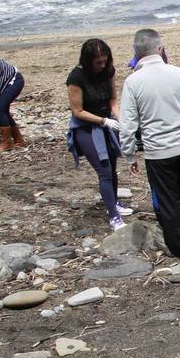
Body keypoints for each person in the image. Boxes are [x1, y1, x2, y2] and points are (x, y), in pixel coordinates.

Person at [120, 28, 180, 260]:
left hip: (158, 152)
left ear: (136, 52)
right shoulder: (177, 72)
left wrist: (129, 155)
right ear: (160, 49)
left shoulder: (132, 82)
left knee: (168, 201)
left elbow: (128, 124)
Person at [67, 38, 133, 230]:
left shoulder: (108, 72)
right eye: (98, 62)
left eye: (104, 61)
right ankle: (113, 216)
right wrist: (102, 120)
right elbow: (77, 111)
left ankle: (114, 203)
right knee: (104, 171)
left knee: (112, 167)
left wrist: (119, 119)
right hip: (86, 127)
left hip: (107, 123)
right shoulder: (76, 78)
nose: (102, 65)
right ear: (88, 61)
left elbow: (113, 99)